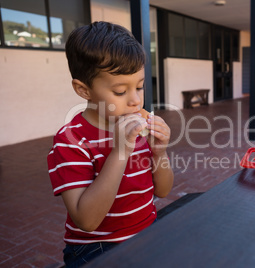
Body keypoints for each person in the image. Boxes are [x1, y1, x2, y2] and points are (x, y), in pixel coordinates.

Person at [47, 21, 174, 267]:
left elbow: (163, 191)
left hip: (148, 231)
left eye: (139, 86)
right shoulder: (70, 141)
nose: (136, 100)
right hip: (97, 248)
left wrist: (159, 153)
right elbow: (87, 220)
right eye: (119, 92)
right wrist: (120, 151)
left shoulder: (136, 129)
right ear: (84, 90)